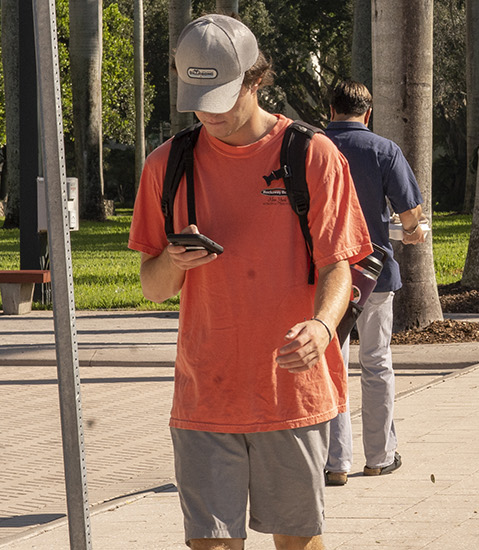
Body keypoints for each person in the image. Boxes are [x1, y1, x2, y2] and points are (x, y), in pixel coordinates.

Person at [127, 15, 371, 550]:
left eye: (220, 96)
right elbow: (151, 286)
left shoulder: (312, 156)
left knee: (297, 541)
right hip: (203, 396)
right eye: (198, 97)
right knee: (209, 544)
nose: (208, 112)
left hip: (291, 393)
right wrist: (174, 261)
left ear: (256, 81)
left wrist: (323, 326)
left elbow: (339, 263)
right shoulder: (167, 166)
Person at [321, 80, 428, 487]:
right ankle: (380, 457)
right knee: (376, 363)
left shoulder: (312, 147)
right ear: (368, 113)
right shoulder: (385, 150)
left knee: (332, 366)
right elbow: (411, 216)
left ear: (331, 110)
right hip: (373, 275)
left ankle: (336, 462)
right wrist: (414, 231)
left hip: (322, 275)